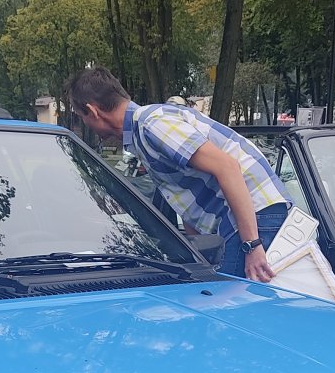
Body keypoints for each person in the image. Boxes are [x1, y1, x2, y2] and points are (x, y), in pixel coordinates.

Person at [64, 66, 290, 281]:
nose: (84, 123)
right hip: (244, 219)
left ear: (92, 111)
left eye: (80, 117)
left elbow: (227, 167)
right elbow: (188, 203)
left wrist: (252, 244)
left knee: (230, 307)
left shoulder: (153, 125)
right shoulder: (142, 135)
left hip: (254, 216)